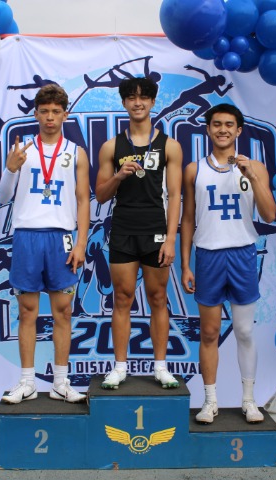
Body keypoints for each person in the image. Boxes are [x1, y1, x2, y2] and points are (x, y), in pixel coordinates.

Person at [180, 103, 276, 424]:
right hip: (208, 256)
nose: (222, 129)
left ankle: (249, 400)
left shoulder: (254, 167)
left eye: (229, 125)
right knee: (209, 333)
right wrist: (185, 264)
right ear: (208, 129)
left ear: (239, 130)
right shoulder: (194, 169)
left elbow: (269, 215)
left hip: (242, 254)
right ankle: (210, 401)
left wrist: (252, 176)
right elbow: (188, 219)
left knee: (244, 331)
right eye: (217, 124)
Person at [0, 84, 90, 404]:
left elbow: (83, 200)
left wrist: (81, 242)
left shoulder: (76, 153)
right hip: (27, 236)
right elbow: (3, 196)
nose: (50, 117)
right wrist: (10, 169)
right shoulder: (22, 151)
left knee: (63, 311)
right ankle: (27, 382)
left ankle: (61, 382)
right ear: (35, 114)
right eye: (44, 111)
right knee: (27, 311)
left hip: (61, 238)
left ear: (65, 114)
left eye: (56, 111)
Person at [95, 77, 183, 389]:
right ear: (124, 103)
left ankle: (161, 367)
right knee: (122, 298)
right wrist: (118, 175)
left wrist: (171, 239)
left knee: (158, 297)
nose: (138, 102)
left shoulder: (170, 146)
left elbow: (175, 195)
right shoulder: (111, 146)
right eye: (131, 97)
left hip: (156, 230)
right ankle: (120, 367)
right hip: (123, 230)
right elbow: (101, 195)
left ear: (152, 101)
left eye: (143, 97)